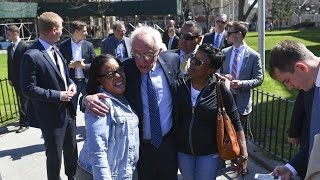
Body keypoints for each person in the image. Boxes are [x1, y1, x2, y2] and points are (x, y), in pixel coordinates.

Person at [83, 26, 181, 180]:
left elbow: (189, 83)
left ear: (158, 51)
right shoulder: (125, 68)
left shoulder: (172, 61)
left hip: (167, 144)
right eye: (136, 53)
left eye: (148, 54)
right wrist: (87, 98)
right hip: (140, 149)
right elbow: (99, 74)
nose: (141, 61)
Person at [174, 43, 248, 179]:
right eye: (193, 58)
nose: (192, 63)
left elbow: (235, 120)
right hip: (183, 152)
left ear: (210, 70)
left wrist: (243, 153)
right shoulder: (179, 85)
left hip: (210, 154)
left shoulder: (220, 89)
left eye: (198, 62)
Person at [20, 12, 78, 180]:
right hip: (51, 116)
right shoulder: (31, 55)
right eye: (61, 28)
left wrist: (71, 84)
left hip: (68, 112)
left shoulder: (56, 49)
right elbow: (28, 89)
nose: (63, 31)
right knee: (54, 156)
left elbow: (64, 76)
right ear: (54, 30)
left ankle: (72, 176)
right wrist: (59, 95)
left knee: (71, 150)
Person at [76, 55, 139, 180]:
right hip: (99, 174)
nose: (118, 76)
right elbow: (97, 151)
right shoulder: (100, 103)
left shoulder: (123, 97)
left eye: (119, 70)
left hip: (124, 172)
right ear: (99, 80)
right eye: (110, 74)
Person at [269, 40, 320, 180]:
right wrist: (291, 168)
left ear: (301, 68)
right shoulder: (310, 87)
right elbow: (315, 139)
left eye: (287, 80)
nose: (289, 87)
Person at [218, 21, 263, 134]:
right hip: (224, 101)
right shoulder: (224, 52)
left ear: (238, 34)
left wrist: (242, 84)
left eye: (229, 33)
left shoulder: (253, 56)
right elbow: (217, 72)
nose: (226, 36)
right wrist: (224, 77)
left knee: (241, 135)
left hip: (242, 104)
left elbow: (259, 78)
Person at [59, 21, 96, 110]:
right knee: (71, 107)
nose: (86, 33)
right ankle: (73, 124)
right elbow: (58, 65)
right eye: (84, 31)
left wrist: (84, 66)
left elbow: (96, 65)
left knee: (90, 106)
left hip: (86, 81)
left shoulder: (88, 45)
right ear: (76, 32)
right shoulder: (64, 46)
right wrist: (69, 66)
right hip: (71, 82)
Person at [6, 25, 30, 133]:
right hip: (15, 80)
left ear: (15, 33)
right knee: (22, 101)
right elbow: (9, 64)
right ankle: (27, 119)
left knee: (23, 101)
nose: (7, 35)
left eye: (8, 33)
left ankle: (24, 123)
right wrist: (10, 77)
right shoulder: (9, 47)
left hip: (24, 79)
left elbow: (29, 64)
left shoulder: (25, 46)